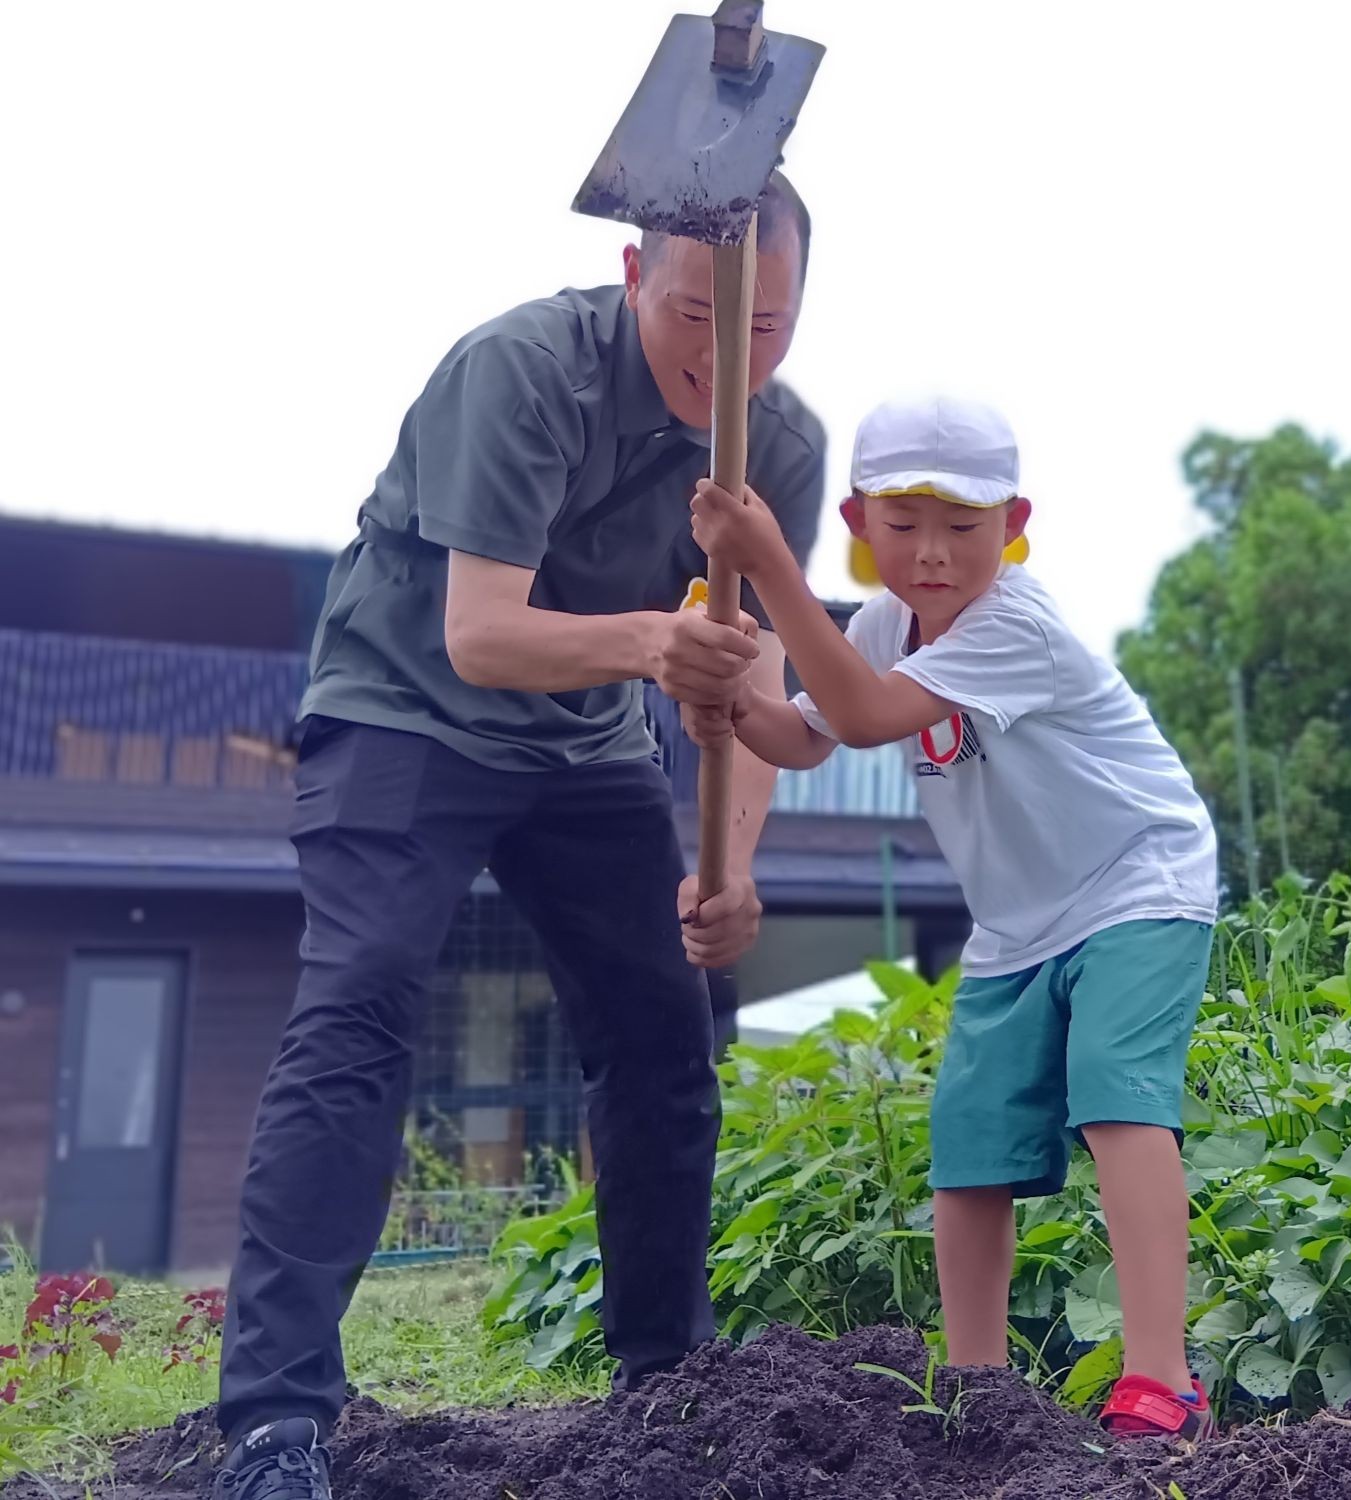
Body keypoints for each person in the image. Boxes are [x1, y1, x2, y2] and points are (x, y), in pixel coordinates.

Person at [209, 174, 827, 1500]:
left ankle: (665, 1390)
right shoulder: (521, 371)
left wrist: (731, 868)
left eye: (767, 329)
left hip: (584, 746)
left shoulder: (781, 445)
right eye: (693, 317)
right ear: (629, 275)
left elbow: (755, 679)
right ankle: (274, 1421)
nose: (726, 359)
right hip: (403, 714)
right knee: (363, 997)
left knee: (669, 1029)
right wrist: (659, 643)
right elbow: (481, 634)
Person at [686, 394, 1222, 1441]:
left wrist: (772, 568)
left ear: (1013, 523)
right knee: (968, 1143)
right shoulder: (886, 625)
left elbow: (865, 714)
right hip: (1017, 922)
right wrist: (729, 703)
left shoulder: (1013, 621)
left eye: (964, 528)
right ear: (857, 527)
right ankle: (979, 1391)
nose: (933, 554)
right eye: (904, 526)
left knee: (1114, 1096)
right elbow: (802, 735)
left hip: (1135, 880)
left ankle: (1161, 1376)